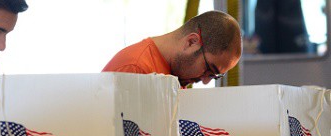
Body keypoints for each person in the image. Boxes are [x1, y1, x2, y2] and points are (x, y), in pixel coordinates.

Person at [103, 10, 242, 87]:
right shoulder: (135, 69)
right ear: (191, 42)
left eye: (214, 76)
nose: (205, 81)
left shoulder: (177, 77)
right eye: (208, 69)